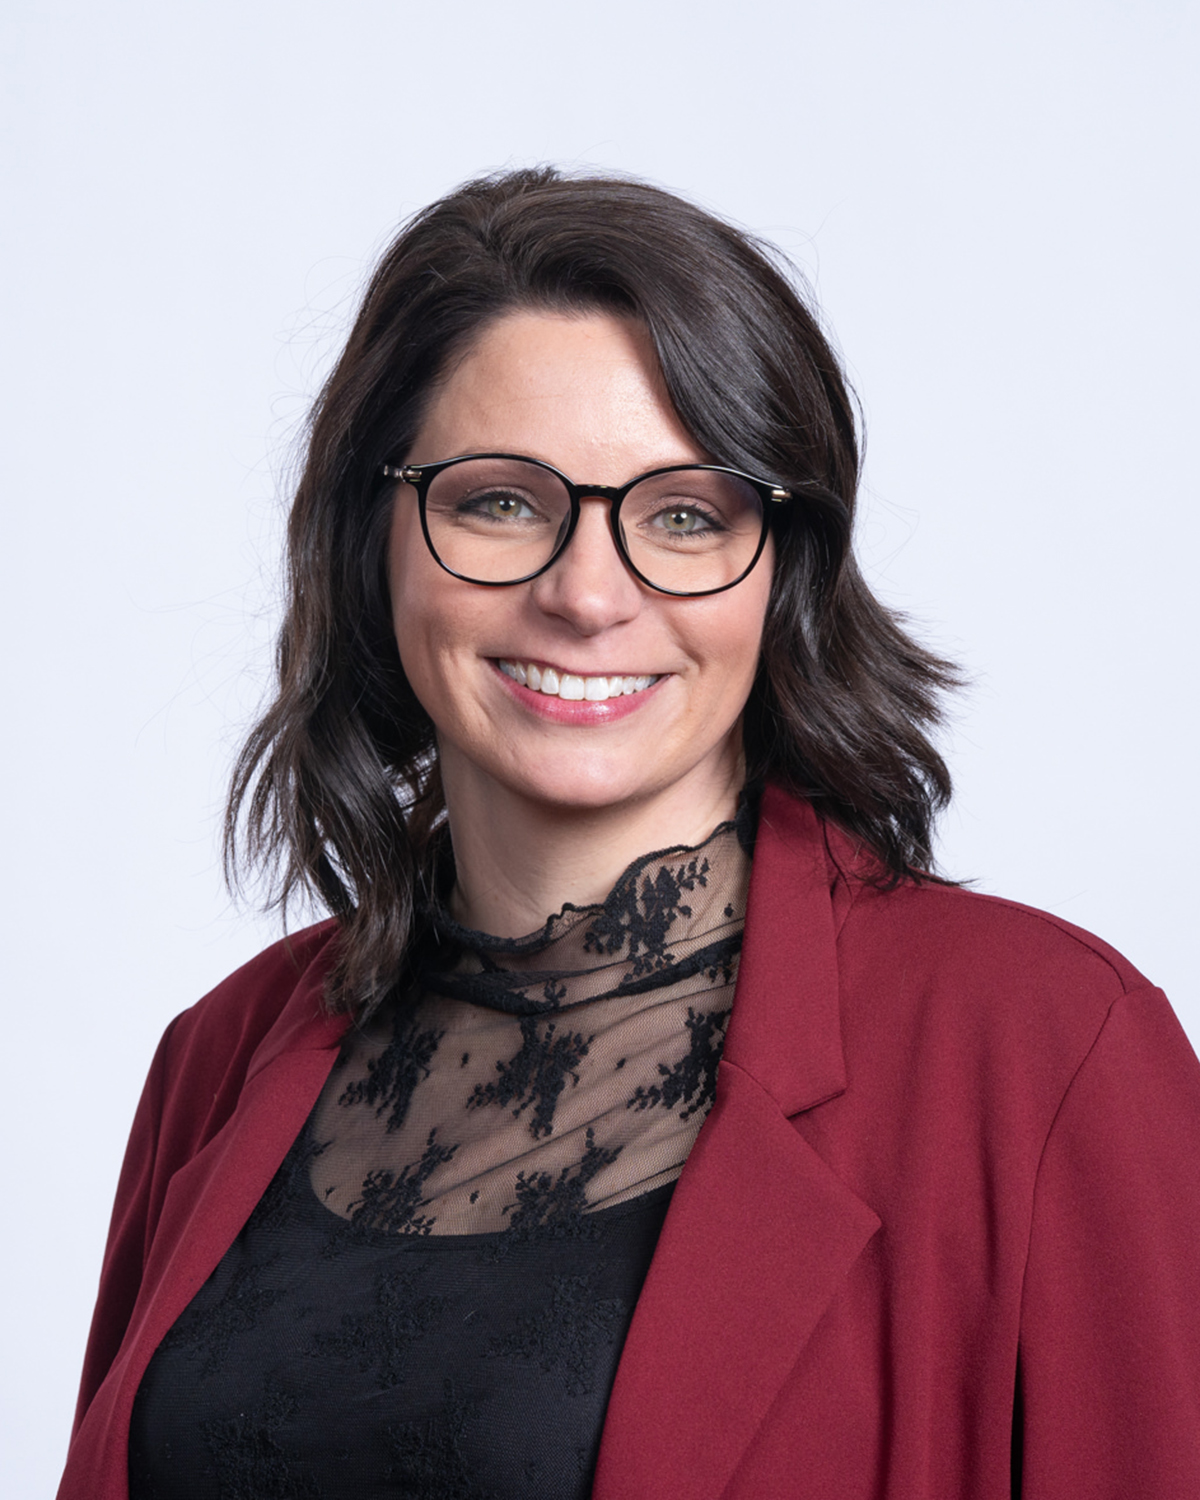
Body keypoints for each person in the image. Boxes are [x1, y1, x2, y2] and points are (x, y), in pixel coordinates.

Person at [60, 168, 1200, 1500]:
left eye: (683, 515)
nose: (588, 595)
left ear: (783, 570)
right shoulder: (216, 1060)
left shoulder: (1045, 1050)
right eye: (500, 501)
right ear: (375, 536)